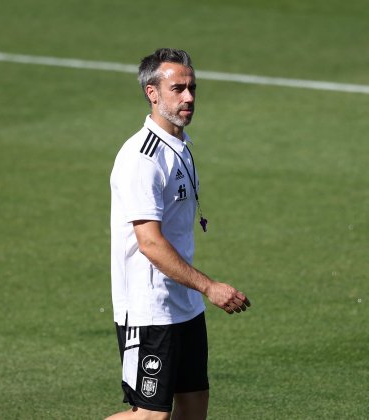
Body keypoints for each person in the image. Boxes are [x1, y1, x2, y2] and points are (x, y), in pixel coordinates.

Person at [106, 48, 251, 420]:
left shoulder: (180, 146)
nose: (189, 98)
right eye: (178, 89)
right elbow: (150, 243)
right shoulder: (142, 157)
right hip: (149, 308)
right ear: (152, 93)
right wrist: (210, 287)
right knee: (151, 416)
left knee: (193, 407)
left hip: (183, 307)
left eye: (192, 88)